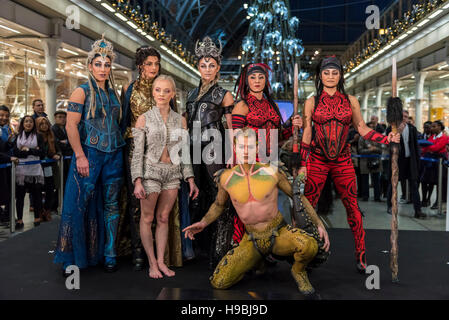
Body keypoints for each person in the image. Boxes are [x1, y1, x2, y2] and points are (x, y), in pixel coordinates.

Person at [183, 127, 330, 296]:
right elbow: (218, 205)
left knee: (309, 246)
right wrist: (203, 222)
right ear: (235, 148)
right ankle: (257, 261)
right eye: (242, 147)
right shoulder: (226, 178)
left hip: (278, 233)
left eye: (250, 147)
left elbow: (298, 197)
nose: (246, 151)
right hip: (252, 239)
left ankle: (299, 271)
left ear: (257, 147)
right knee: (219, 283)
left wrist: (318, 223)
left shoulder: (271, 172)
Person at [298, 56, 400, 273]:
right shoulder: (312, 101)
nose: (331, 76)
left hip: (343, 160)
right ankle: (304, 254)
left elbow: (362, 128)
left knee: (353, 208)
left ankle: (361, 255)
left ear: (340, 75)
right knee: (307, 208)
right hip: (317, 159)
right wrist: (303, 164)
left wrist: (387, 138)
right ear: (320, 76)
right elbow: (307, 133)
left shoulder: (351, 100)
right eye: (326, 73)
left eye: (335, 72)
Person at [54, 36, 125, 273]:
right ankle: (73, 255)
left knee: (111, 204)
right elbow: (71, 126)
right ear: (90, 66)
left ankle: (109, 253)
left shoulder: (115, 94)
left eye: (106, 65)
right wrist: (80, 156)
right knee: (79, 203)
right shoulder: (81, 92)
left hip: (114, 155)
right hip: (89, 155)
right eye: (98, 64)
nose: (103, 69)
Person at [131, 75, 199, 278]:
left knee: (163, 218)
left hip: (172, 174)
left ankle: (161, 261)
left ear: (172, 94)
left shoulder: (181, 120)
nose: (162, 94)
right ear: (153, 92)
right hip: (150, 172)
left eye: (166, 90)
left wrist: (191, 179)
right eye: (158, 90)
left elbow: (184, 152)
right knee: (147, 217)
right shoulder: (144, 118)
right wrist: (137, 180)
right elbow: (137, 153)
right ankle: (151, 262)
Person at [231, 62, 302, 242]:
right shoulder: (242, 106)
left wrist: (291, 127)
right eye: (252, 77)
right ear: (246, 81)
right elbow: (235, 139)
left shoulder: (272, 106)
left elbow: (279, 136)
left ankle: (267, 246)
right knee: (248, 208)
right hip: (251, 162)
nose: (257, 80)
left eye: (261, 77)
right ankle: (239, 247)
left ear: (266, 81)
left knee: (271, 209)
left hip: (271, 160)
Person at [184, 36, 235, 269]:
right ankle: (200, 247)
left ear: (218, 68)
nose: (207, 69)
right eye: (203, 65)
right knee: (198, 197)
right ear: (198, 66)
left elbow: (231, 127)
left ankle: (220, 250)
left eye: (211, 65)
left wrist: (233, 153)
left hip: (215, 149)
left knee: (219, 197)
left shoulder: (224, 95)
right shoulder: (190, 94)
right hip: (193, 148)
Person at [386, 110, 425, 218]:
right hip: (397, 161)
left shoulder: (412, 129)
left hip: (410, 161)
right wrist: (398, 132)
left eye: (406, 117)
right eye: (403, 116)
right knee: (393, 185)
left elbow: (415, 146)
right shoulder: (391, 128)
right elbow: (389, 145)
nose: (404, 118)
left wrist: (417, 162)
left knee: (414, 185)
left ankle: (418, 210)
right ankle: (390, 206)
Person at [13, 116, 45, 229]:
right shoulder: (17, 136)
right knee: (20, 196)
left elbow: (42, 152)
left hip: (35, 171)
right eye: (26, 121)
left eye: (30, 121)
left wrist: (27, 150)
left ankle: (37, 217)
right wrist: (32, 151)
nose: (28, 123)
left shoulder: (38, 136)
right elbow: (15, 152)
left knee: (36, 195)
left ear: (33, 124)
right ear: (22, 124)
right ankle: (20, 220)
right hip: (21, 171)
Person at [420, 120, 448, 210]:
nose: (432, 128)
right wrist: (428, 147)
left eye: (434, 126)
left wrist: (428, 147)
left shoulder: (444, 137)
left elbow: (436, 148)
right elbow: (424, 148)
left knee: (440, 183)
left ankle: (438, 201)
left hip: (440, 162)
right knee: (425, 180)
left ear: (440, 127)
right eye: (432, 126)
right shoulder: (432, 137)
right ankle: (425, 199)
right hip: (430, 163)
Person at [36, 117, 60, 221]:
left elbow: (59, 150)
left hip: (49, 167)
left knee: (50, 190)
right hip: (37, 167)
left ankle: (47, 210)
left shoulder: (52, 136)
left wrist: (57, 154)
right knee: (37, 190)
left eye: (46, 123)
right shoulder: (35, 137)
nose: (44, 126)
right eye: (41, 124)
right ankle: (39, 211)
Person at [358, 121, 384, 202]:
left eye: (372, 128)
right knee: (365, 180)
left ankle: (377, 197)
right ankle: (365, 196)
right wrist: (369, 150)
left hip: (376, 161)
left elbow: (381, 150)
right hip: (365, 162)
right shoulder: (362, 138)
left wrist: (375, 149)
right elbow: (360, 150)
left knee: (376, 180)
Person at [51, 110, 72, 192]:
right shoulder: (53, 129)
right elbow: (56, 143)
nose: (62, 119)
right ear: (55, 118)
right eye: (60, 117)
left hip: (68, 158)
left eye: (64, 117)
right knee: (61, 180)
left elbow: (73, 141)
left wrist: (66, 142)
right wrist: (66, 142)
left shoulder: (68, 128)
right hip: (60, 158)